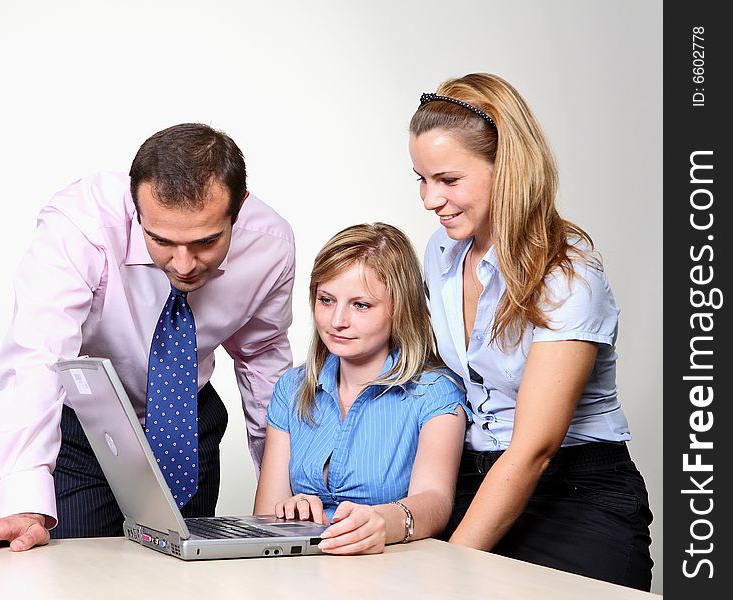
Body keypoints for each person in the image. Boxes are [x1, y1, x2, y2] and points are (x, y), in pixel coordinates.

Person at [0, 123, 296, 554]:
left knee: (180, 578)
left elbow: (263, 364)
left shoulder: (271, 244)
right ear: (136, 205)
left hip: (186, 425)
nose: (184, 264)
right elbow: (38, 358)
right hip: (85, 427)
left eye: (206, 241)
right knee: (78, 574)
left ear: (240, 206)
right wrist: (22, 503)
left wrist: (284, 494)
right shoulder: (82, 223)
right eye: (161, 240)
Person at [408, 72, 653, 589]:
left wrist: (444, 568)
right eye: (421, 180)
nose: (430, 200)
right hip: (474, 481)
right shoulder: (443, 254)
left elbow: (533, 450)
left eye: (448, 181)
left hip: (575, 492)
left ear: (508, 169)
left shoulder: (568, 275)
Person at [253, 222, 469, 555]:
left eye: (361, 305)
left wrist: (383, 521)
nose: (337, 320)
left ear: (399, 308)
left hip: (392, 569)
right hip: (303, 570)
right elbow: (263, 519)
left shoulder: (434, 392)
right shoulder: (291, 389)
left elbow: (436, 503)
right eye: (326, 300)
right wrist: (290, 513)